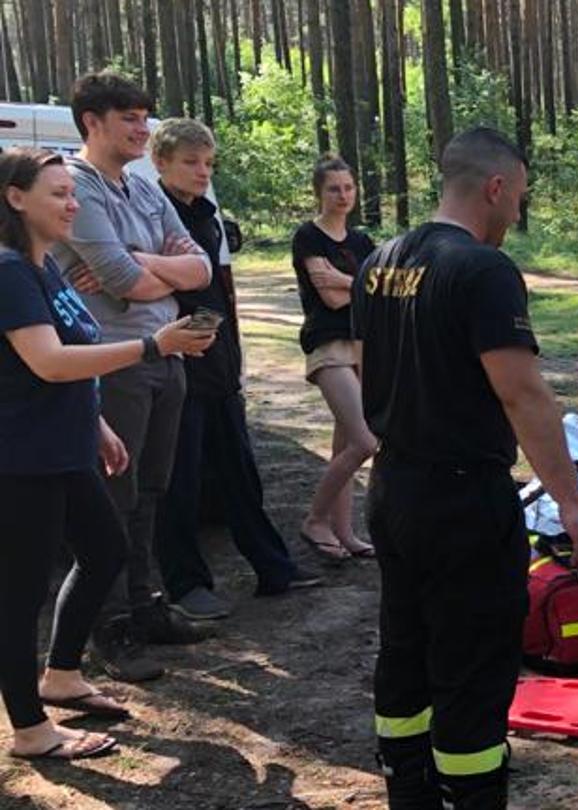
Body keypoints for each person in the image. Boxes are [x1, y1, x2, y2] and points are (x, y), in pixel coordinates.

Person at [355, 127, 578, 809]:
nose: (517, 214)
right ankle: (471, 796)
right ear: (495, 188)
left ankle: (407, 790)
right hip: (463, 502)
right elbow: (521, 391)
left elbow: (366, 371)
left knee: (404, 648)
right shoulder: (482, 271)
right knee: (471, 669)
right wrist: (574, 502)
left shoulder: (377, 262)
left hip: (393, 489)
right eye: (519, 198)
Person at [0, 147, 216, 760]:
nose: (72, 204)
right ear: (15, 198)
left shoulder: (45, 269)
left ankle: (62, 674)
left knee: (105, 550)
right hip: (21, 459)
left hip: (65, 446)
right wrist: (153, 346)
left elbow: (65, 358)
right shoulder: (10, 271)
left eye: (73, 193)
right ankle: (30, 730)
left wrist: (96, 424)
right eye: (57, 194)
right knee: (18, 594)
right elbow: (46, 361)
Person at [51, 71, 214, 683]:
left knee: (152, 490)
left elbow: (198, 266)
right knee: (114, 496)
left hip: (164, 355)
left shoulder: (143, 190)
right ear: (93, 122)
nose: (144, 129)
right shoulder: (78, 188)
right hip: (113, 360)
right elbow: (125, 284)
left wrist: (145, 262)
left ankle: (145, 607)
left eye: (146, 118)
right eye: (131, 119)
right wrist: (150, 271)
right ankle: (110, 624)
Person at [150, 118, 321, 620]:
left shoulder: (205, 211)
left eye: (208, 163)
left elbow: (216, 288)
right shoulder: (153, 213)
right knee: (179, 482)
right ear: (160, 163)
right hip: (179, 361)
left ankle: (274, 567)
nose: (203, 172)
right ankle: (186, 585)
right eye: (191, 163)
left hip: (219, 362)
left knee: (239, 474)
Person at [291, 157, 378, 561]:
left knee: (345, 443)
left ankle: (345, 534)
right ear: (318, 192)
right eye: (333, 189)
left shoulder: (362, 243)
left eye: (348, 187)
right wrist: (359, 287)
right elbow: (328, 298)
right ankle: (315, 519)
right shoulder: (308, 236)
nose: (343, 196)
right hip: (328, 345)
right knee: (365, 440)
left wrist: (347, 282)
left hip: (362, 345)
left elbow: (380, 295)